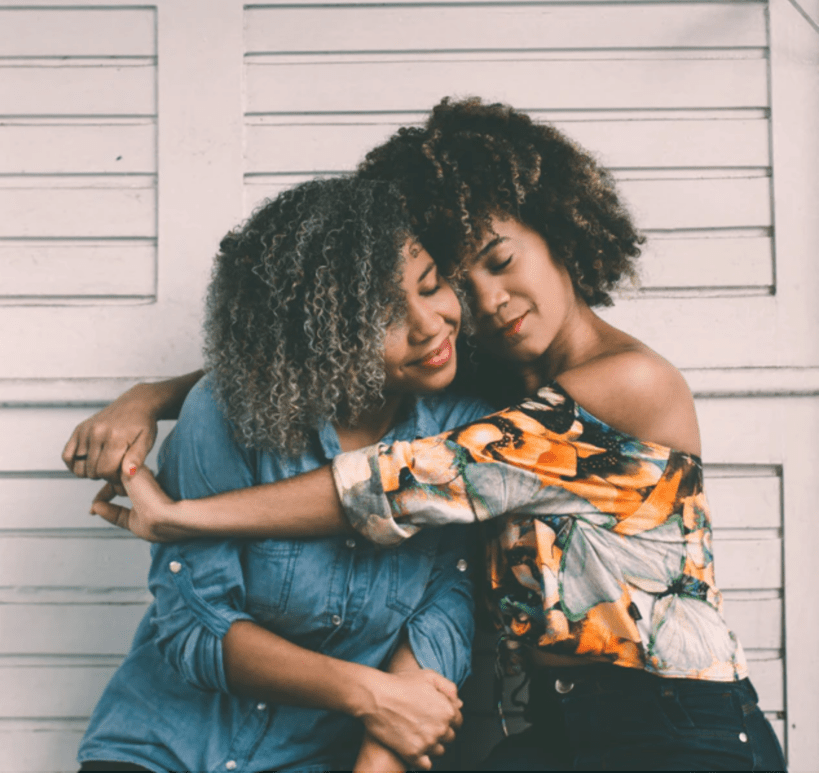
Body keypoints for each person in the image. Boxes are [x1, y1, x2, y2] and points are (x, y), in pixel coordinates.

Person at [79, 99, 787, 771]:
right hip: (555, 730)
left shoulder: (626, 382)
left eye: (501, 262)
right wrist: (156, 395)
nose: (489, 301)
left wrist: (181, 518)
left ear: (557, 229)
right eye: (458, 280)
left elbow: (408, 483)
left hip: (677, 723)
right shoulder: (497, 393)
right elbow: (312, 354)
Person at [73, 176, 493, 773]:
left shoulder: (469, 431)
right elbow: (196, 626)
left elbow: (443, 607)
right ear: (320, 335)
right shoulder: (225, 416)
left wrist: (382, 751)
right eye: (381, 319)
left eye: (431, 286)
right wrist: (371, 696)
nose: (429, 325)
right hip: (163, 746)